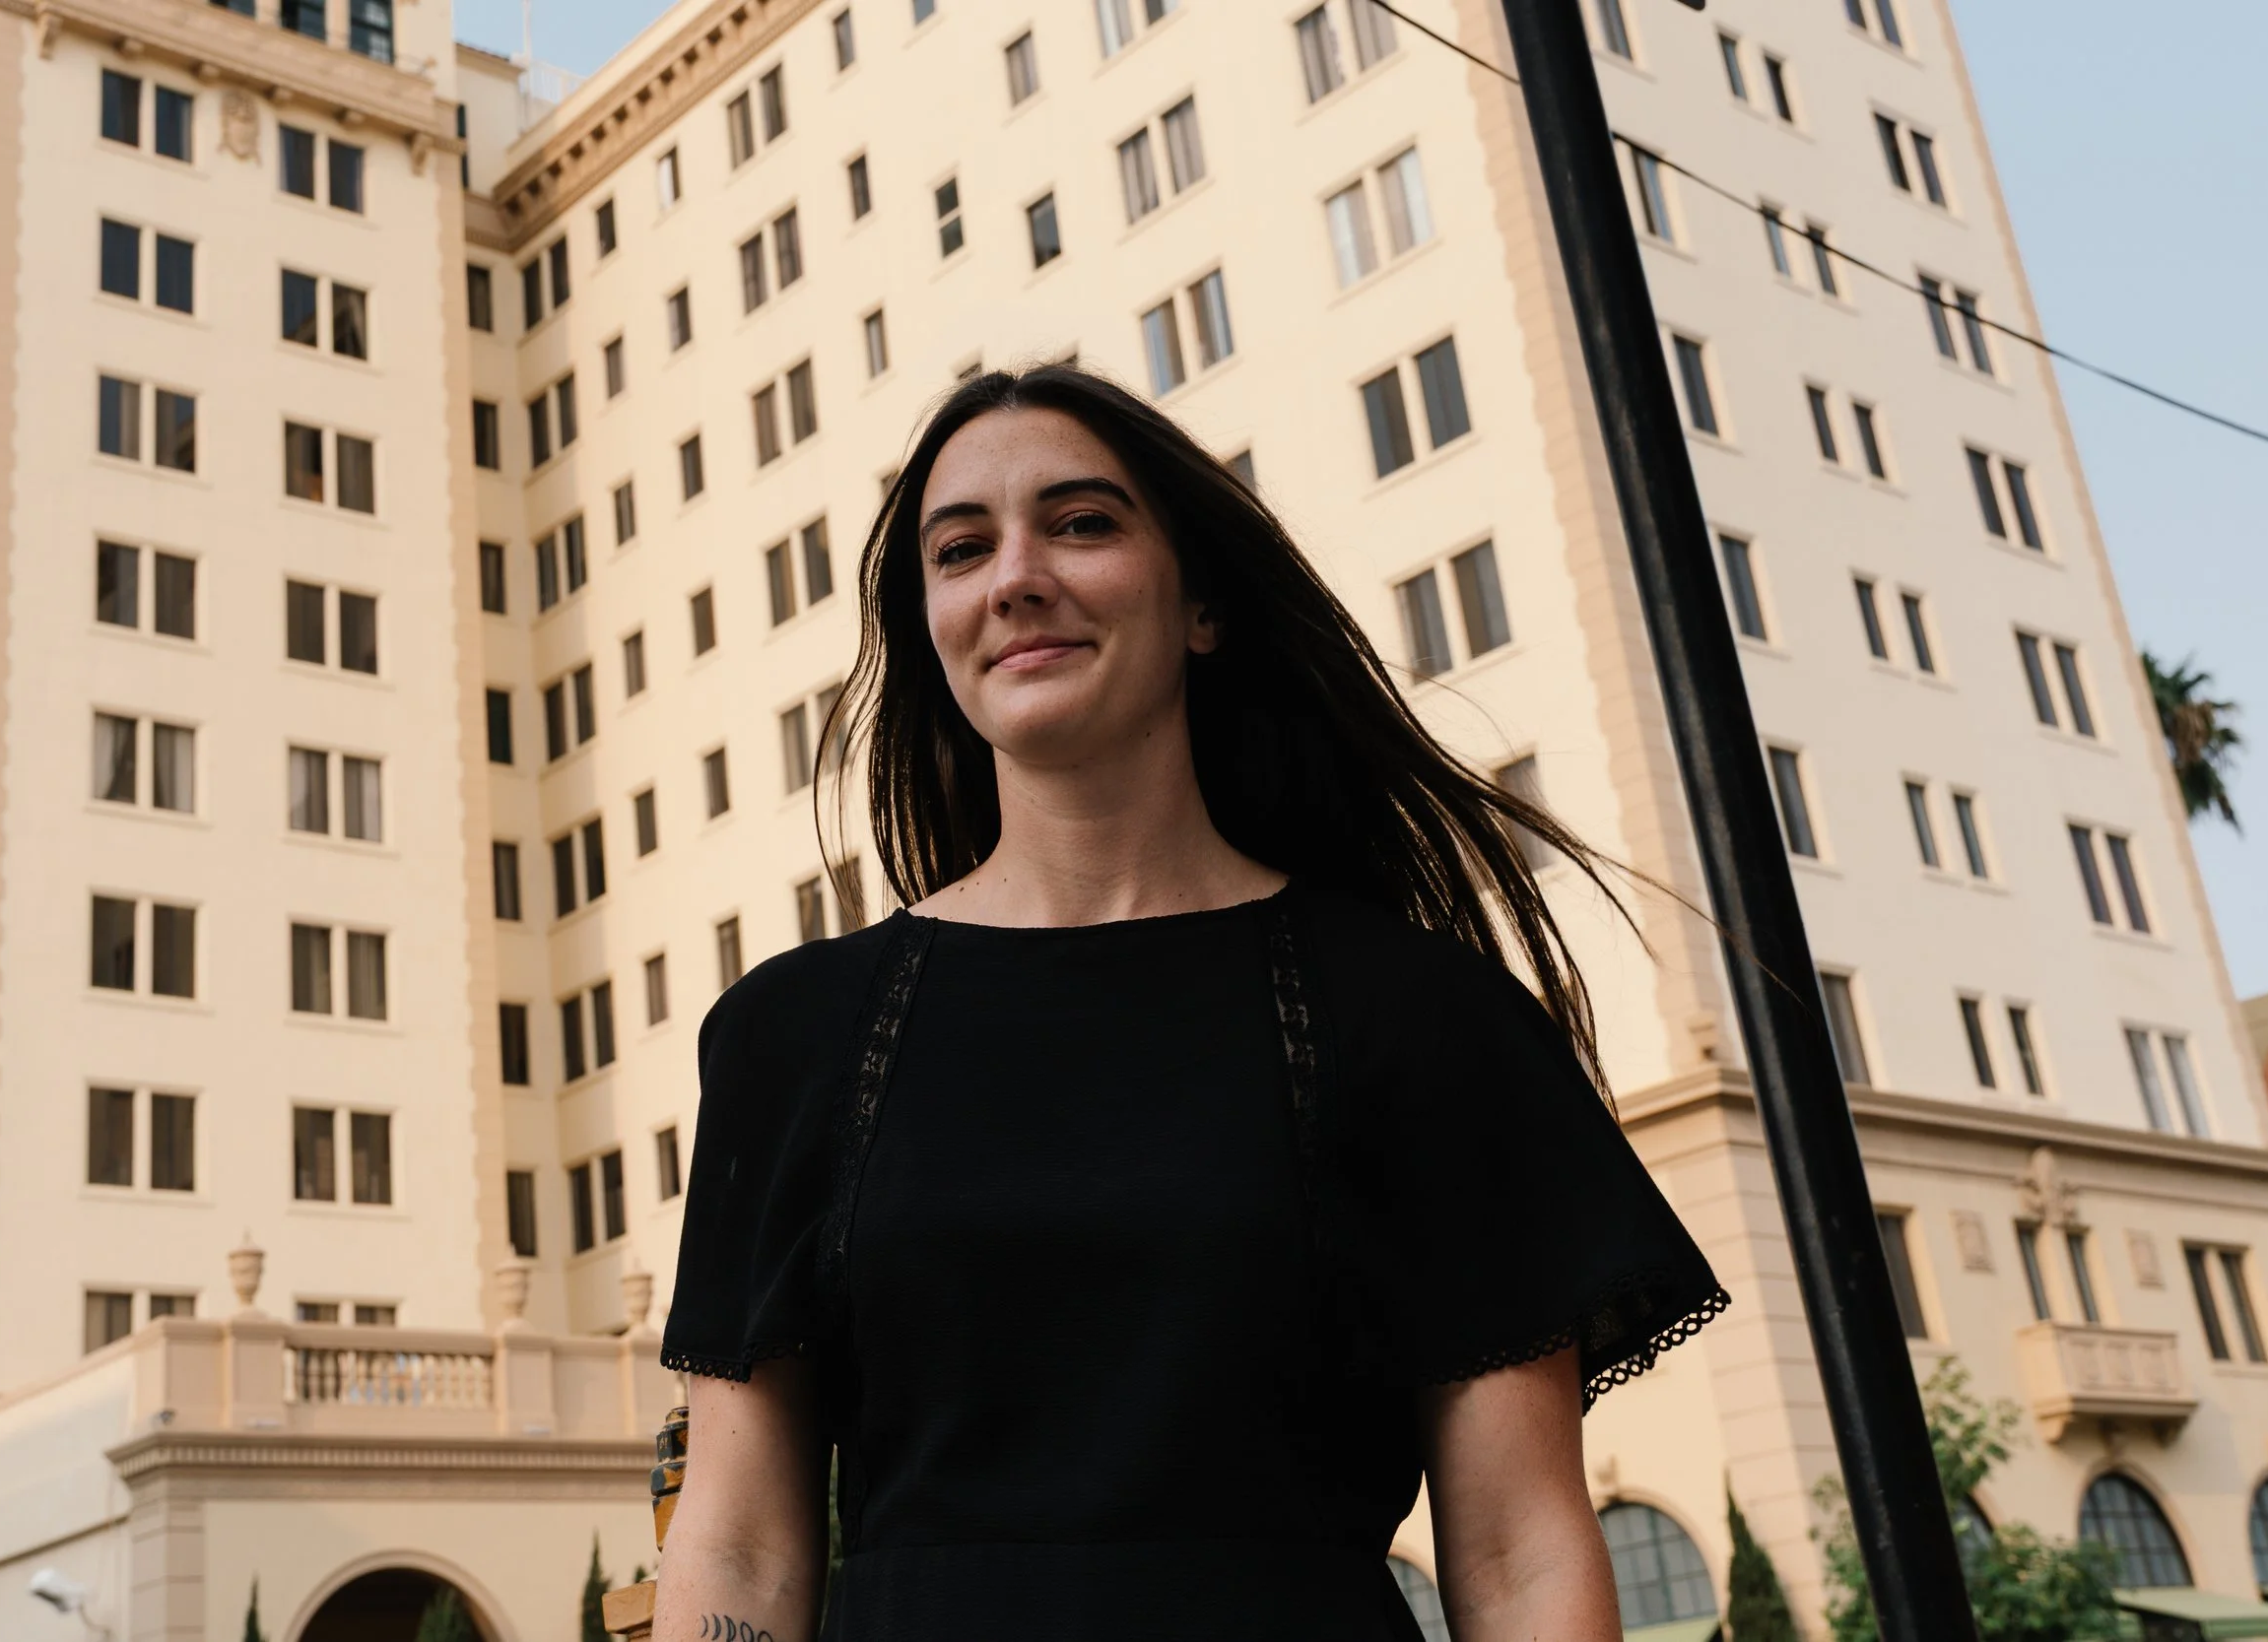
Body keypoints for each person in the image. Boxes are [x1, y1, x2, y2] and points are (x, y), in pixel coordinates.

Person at [653, 365, 1726, 1640]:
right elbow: (738, 1552)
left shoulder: (1420, 1015)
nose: (1015, 576)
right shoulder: (792, 1037)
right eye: (961, 549)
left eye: (1083, 522)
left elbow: (1516, 1549)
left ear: (1204, 603)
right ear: (932, 630)